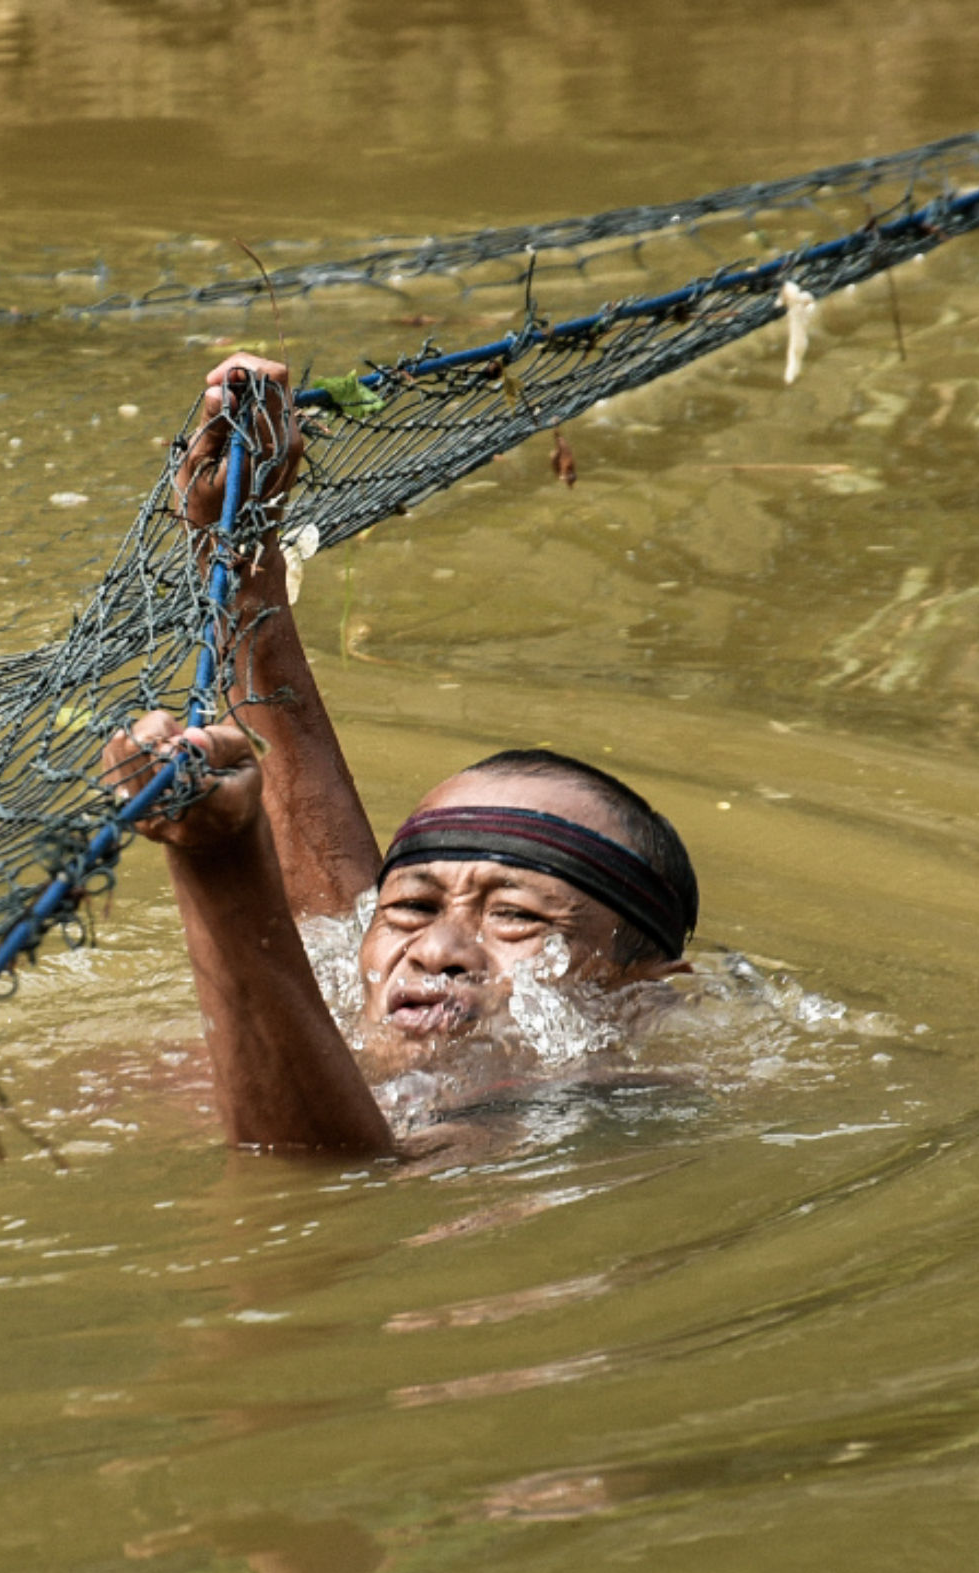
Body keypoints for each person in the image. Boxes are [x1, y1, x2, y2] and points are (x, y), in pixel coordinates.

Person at [103, 354, 700, 1156]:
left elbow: (335, 1178)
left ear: (640, 997)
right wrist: (238, 547)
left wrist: (216, 862)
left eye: (517, 918)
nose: (439, 952)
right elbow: (336, 905)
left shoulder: (600, 1113)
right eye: (413, 909)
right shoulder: (364, 964)